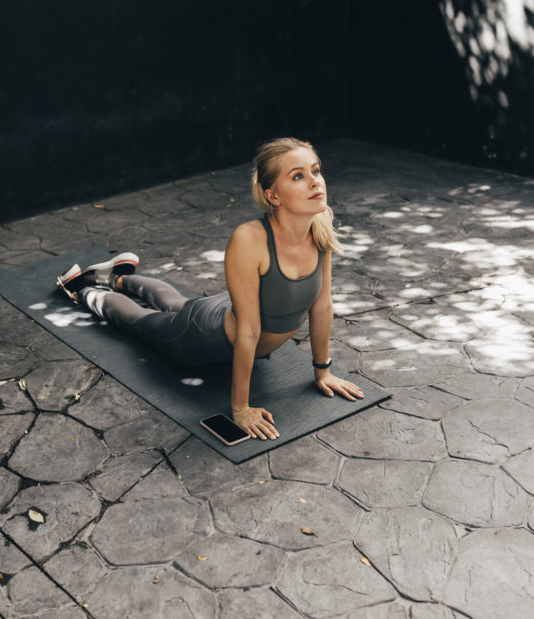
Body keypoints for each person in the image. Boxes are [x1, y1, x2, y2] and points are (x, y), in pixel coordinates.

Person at [56, 137, 363, 440]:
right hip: (202, 336)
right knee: (140, 321)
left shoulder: (319, 227)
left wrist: (323, 371)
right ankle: (80, 289)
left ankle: (119, 277)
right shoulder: (250, 239)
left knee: (178, 304)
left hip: (223, 311)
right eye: (298, 176)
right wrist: (240, 408)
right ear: (273, 195)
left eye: (316, 170)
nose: (315, 182)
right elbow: (249, 331)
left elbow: (321, 306)